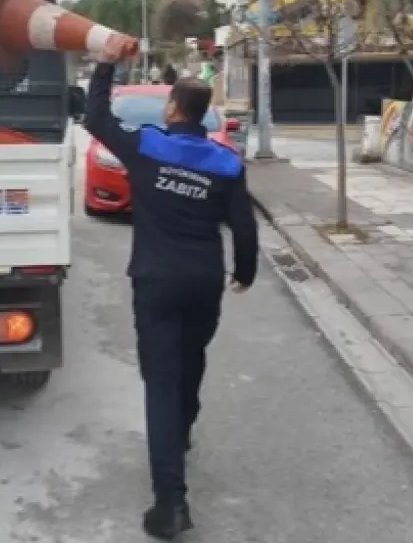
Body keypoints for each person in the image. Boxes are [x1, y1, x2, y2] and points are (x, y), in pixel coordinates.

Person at [84, 36, 258, 541]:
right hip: (203, 281)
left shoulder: (147, 146)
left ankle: (171, 503)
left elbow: (95, 118)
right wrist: (244, 273)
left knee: (160, 381)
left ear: (174, 108)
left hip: (156, 280)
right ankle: (181, 431)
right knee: (191, 359)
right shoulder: (226, 163)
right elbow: (244, 227)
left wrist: (105, 66)